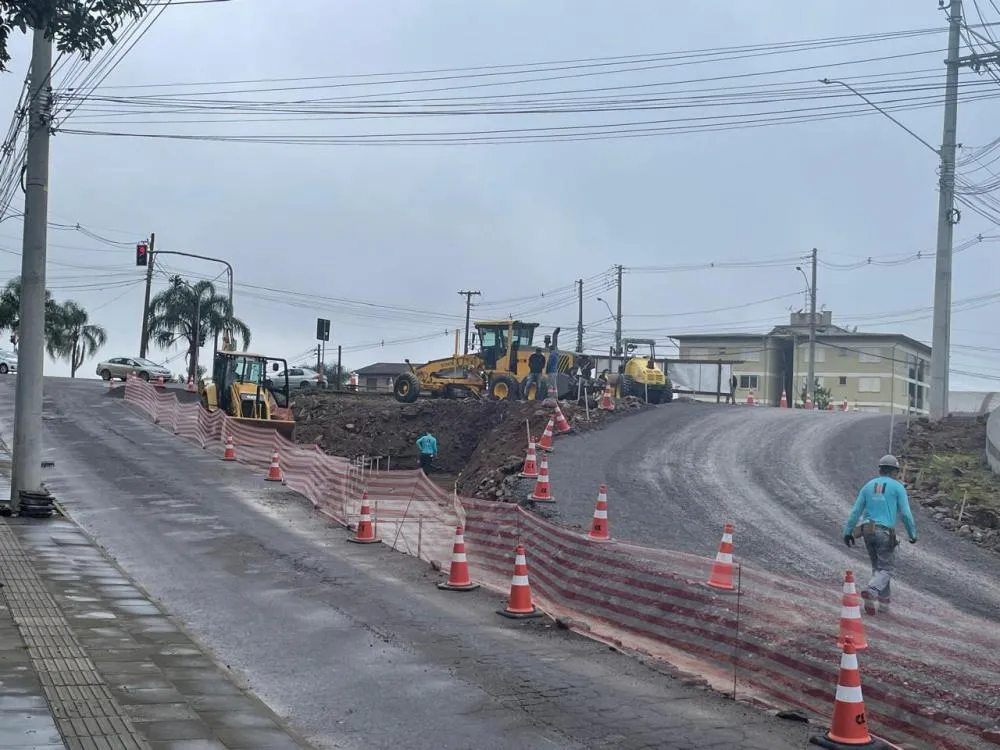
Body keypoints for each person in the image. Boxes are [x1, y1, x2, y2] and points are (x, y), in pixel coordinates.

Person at [842, 454, 917, 614]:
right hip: (884, 532)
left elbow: (856, 511)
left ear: (880, 469)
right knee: (887, 569)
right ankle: (873, 591)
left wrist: (848, 532)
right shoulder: (898, 487)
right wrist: (912, 534)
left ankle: (884, 604)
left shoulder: (868, 486)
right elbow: (905, 514)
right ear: (895, 471)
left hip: (867, 531)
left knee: (879, 568)